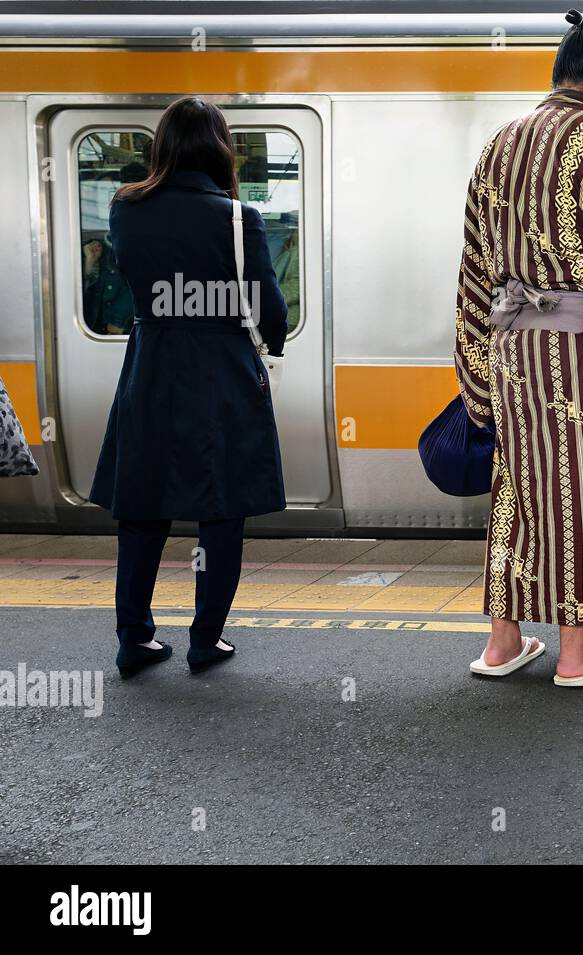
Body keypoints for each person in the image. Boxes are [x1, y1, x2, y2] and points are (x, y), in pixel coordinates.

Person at [452, 9, 583, 687]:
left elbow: (475, 273)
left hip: (511, 352)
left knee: (515, 486)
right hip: (579, 354)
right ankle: (576, 651)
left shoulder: (498, 144)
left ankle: (502, 641)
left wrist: (477, 381)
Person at [88, 96, 288, 679]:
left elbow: (135, 283)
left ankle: (134, 638)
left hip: (150, 370)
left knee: (142, 507)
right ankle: (205, 639)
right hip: (220, 375)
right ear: (221, 149)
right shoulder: (236, 217)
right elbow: (268, 309)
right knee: (220, 510)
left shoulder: (126, 209)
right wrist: (268, 340)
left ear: (162, 147)